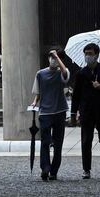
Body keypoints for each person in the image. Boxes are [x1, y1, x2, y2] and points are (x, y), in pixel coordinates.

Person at [71, 42, 100, 179]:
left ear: (96, 55)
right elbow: (76, 94)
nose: (88, 56)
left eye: (90, 54)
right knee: (86, 141)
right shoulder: (81, 73)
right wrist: (73, 113)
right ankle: (86, 169)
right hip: (86, 110)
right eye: (86, 54)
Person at [30, 49, 70, 181]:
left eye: (56, 58)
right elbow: (39, 91)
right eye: (51, 57)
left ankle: (54, 170)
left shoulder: (62, 72)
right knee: (45, 142)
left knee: (58, 143)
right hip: (45, 112)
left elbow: (65, 75)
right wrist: (35, 101)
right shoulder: (40, 74)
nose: (53, 59)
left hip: (59, 111)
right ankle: (45, 168)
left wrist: (58, 58)